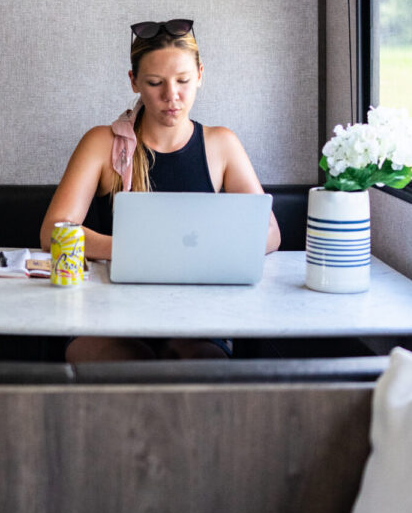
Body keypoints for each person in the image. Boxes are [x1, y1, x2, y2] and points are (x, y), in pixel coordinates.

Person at [40, 19, 281, 362]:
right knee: (132, 369)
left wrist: (184, 257)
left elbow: (270, 233)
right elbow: (52, 232)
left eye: (183, 81)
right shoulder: (101, 143)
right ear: (134, 81)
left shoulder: (221, 144)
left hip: (197, 318)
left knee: (200, 369)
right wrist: (143, 254)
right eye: (155, 83)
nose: (172, 96)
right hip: (107, 315)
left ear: (200, 74)